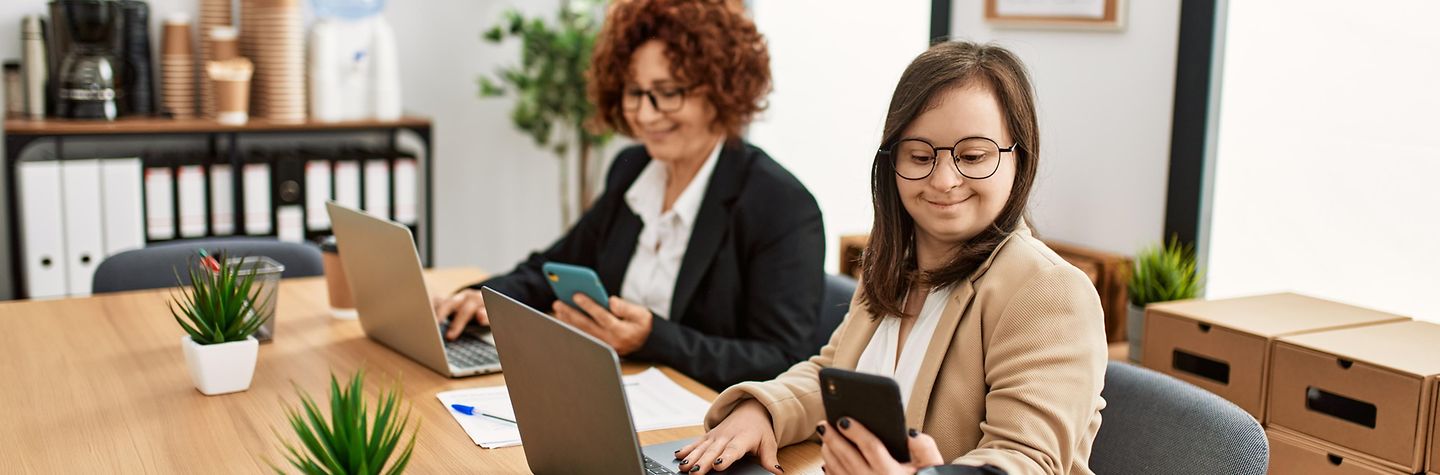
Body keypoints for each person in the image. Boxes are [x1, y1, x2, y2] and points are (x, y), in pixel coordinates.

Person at [675, 41, 1107, 475]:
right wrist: (764, 411)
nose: (944, 180)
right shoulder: (897, 261)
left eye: (973, 156)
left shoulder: (1048, 290)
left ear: (1020, 158)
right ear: (891, 162)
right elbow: (834, 374)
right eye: (920, 156)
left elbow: (1027, 459)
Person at [433, 0, 825, 390]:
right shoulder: (633, 169)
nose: (646, 114)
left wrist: (653, 339)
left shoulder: (781, 205)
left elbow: (785, 360)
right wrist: (485, 296)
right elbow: (553, 266)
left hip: (708, 420)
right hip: (616, 389)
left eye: (667, 92)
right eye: (634, 92)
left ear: (721, 88)